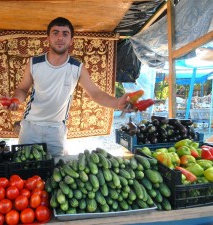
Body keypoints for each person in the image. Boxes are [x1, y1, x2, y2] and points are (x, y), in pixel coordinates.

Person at [7, 17, 132, 157]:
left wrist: (117, 103)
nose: (60, 37)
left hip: (56, 130)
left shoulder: (77, 67)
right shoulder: (34, 63)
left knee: (56, 170)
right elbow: (23, 89)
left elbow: (95, 93)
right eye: (55, 33)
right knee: (26, 169)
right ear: (47, 38)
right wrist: (16, 100)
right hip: (31, 127)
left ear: (72, 40)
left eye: (65, 34)